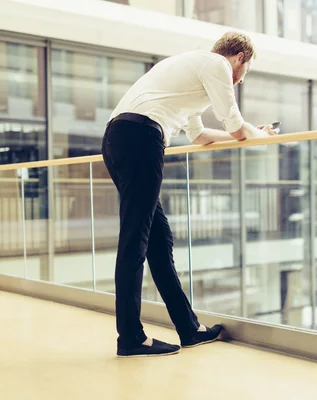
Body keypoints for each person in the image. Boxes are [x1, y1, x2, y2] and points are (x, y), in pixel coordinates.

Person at [101, 31, 278, 358]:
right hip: (140, 137)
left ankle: (188, 328)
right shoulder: (216, 66)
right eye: (246, 71)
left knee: (157, 239)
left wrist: (251, 133)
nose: (240, 80)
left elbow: (198, 136)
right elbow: (237, 127)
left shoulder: (194, 75)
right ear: (239, 57)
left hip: (121, 138)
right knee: (135, 241)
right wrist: (260, 136)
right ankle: (130, 337)